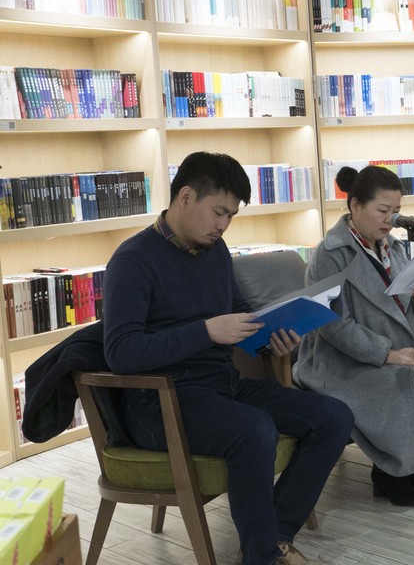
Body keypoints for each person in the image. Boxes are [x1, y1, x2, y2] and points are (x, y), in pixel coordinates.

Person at [103, 152, 353, 565]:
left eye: (231, 216)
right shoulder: (132, 261)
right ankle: (263, 556)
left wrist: (271, 336)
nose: (223, 225)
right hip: (159, 401)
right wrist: (205, 331)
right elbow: (121, 353)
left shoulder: (215, 251)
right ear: (185, 196)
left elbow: (238, 313)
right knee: (254, 429)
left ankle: (273, 537)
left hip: (221, 386)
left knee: (334, 417)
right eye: (219, 212)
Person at [293, 166, 414, 507]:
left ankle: (406, 464)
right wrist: (387, 354)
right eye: (382, 210)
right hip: (341, 358)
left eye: (396, 211)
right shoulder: (329, 254)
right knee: (408, 382)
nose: (390, 220)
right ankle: (394, 470)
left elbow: (402, 306)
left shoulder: (392, 246)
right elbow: (332, 325)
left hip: (399, 343)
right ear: (355, 205)